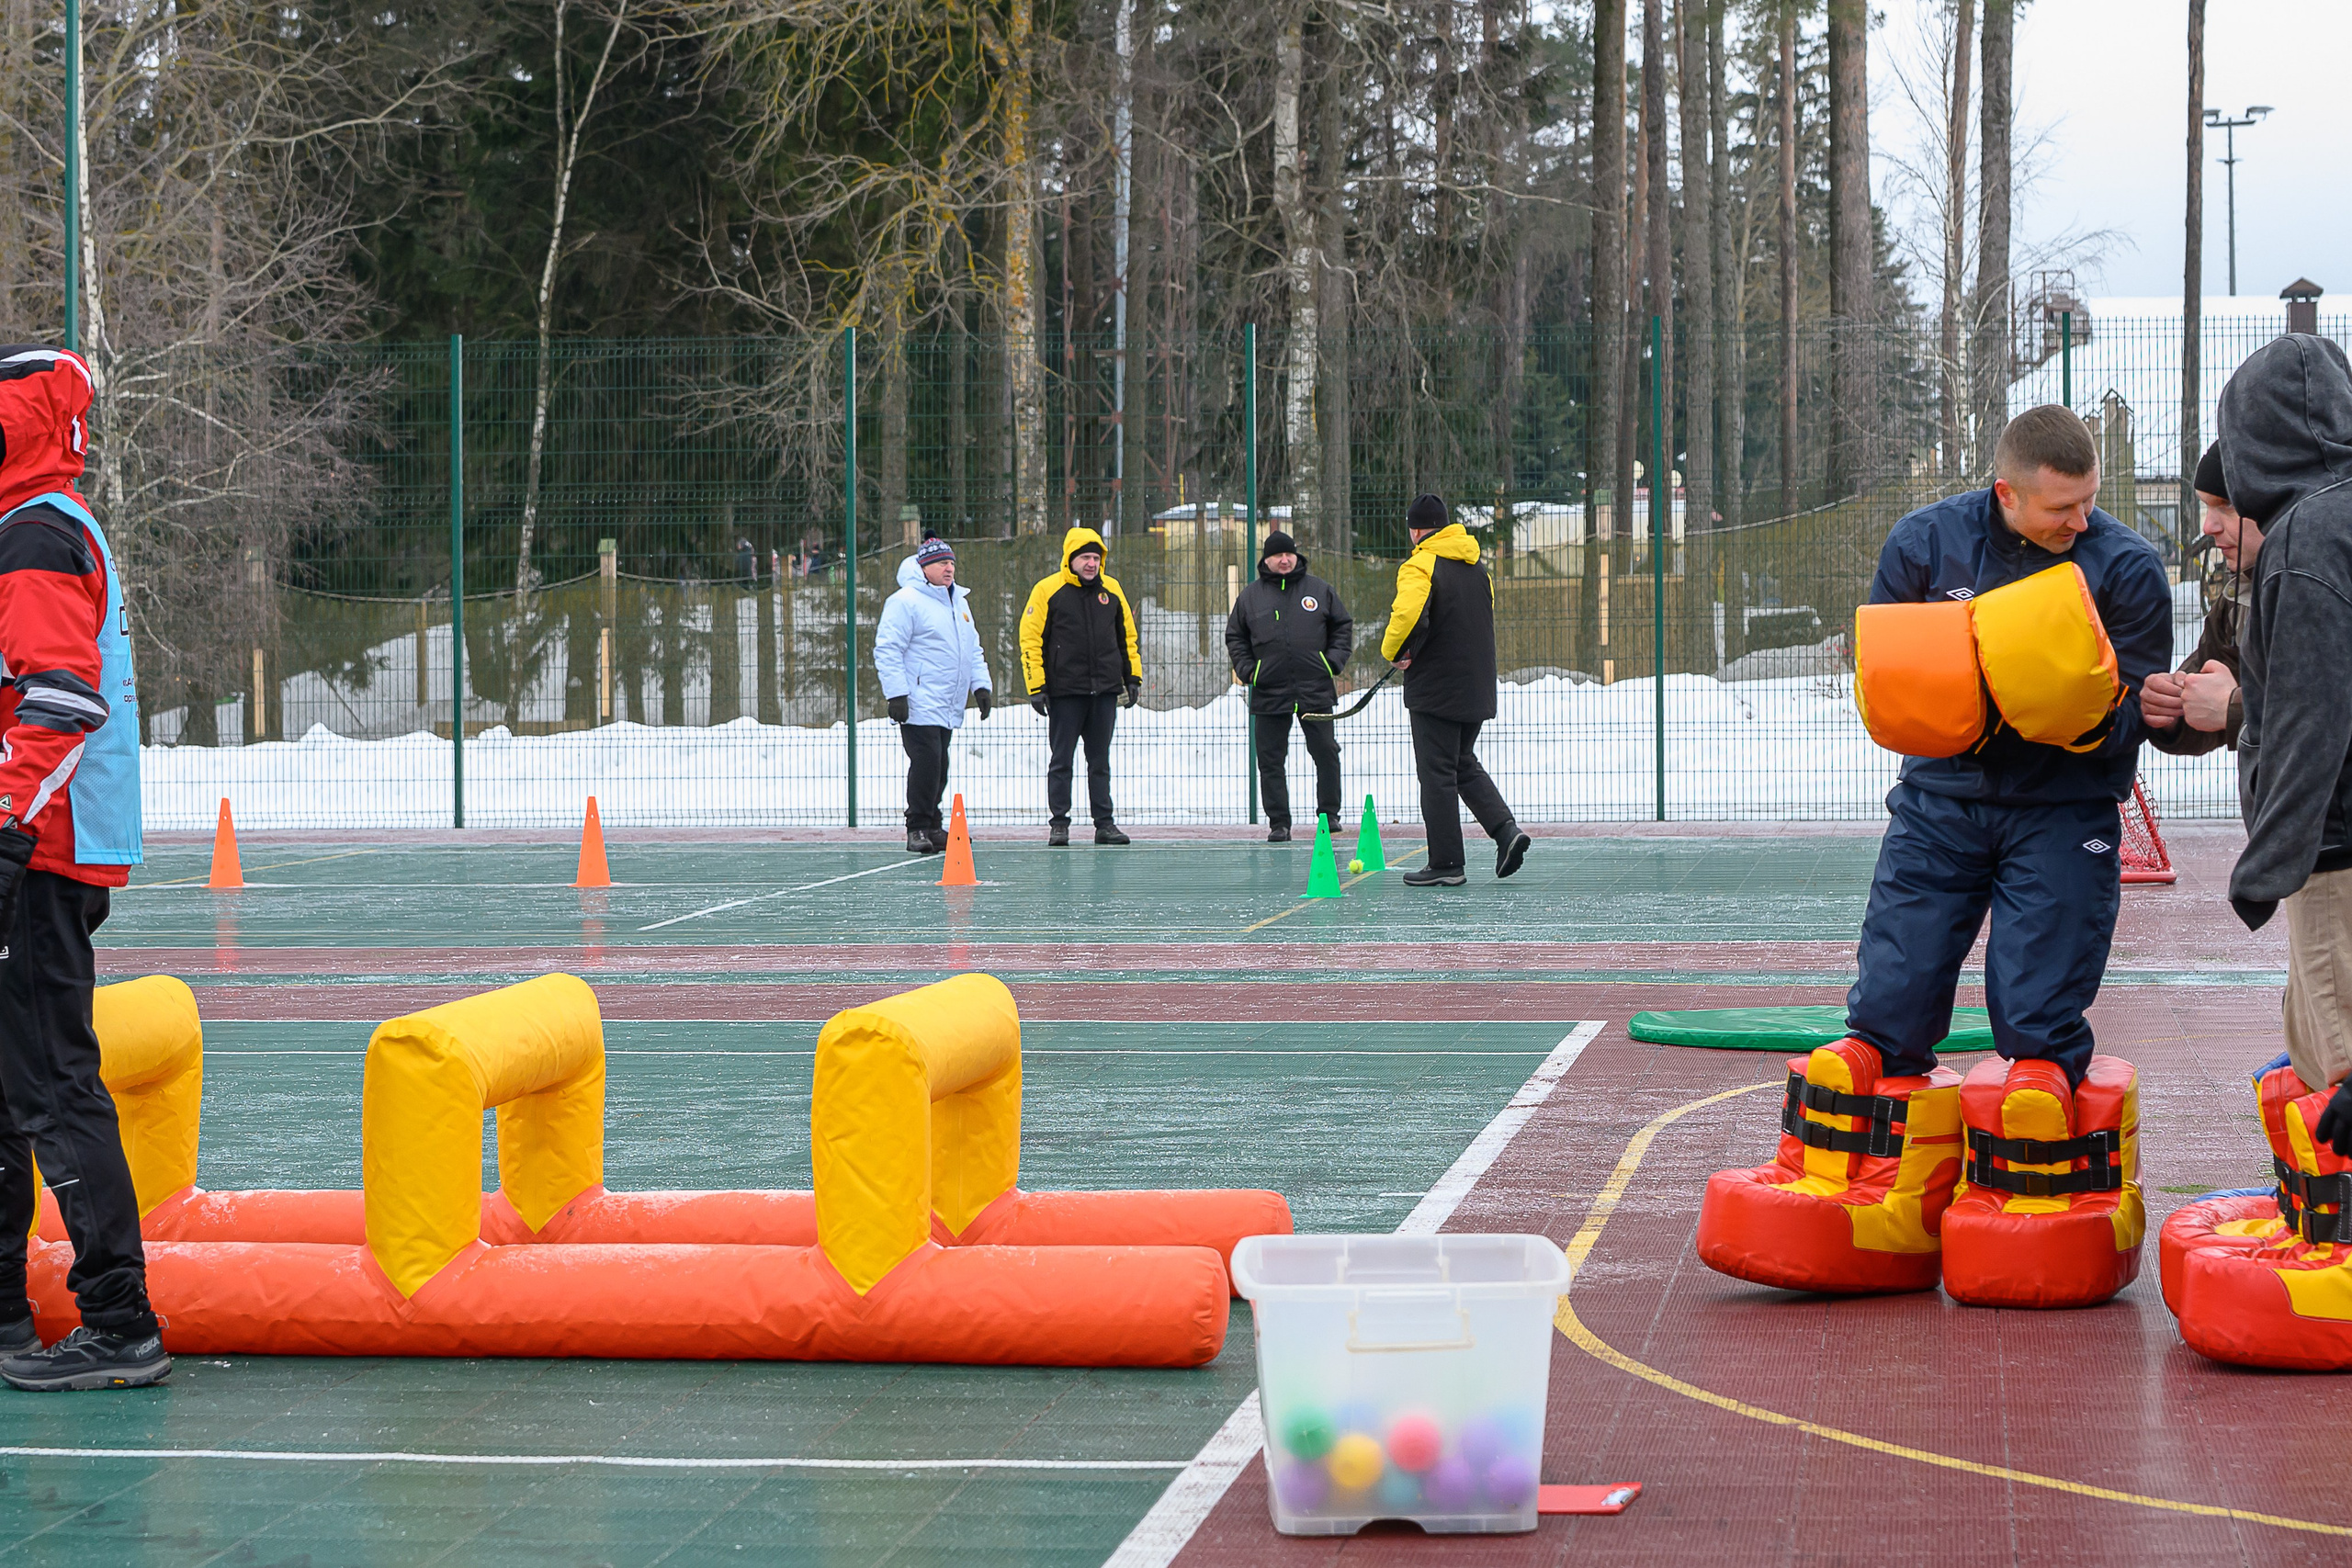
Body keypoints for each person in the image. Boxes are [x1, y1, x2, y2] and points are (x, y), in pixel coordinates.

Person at [1697, 403, 2173, 1302]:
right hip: (1940, 801)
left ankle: (2035, 1156)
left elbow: (2145, 707)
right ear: (2007, 492)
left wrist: (2098, 706)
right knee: (1891, 993)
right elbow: (1886, 668)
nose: (2078, 521)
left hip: (2062, 807)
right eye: (2057, 507)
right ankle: (1874, 1161)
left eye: (2087, 503)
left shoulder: (2125, 565)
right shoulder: (1925, 543)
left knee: (2035, 1014)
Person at [0, 347, 169, 1392]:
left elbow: (60, 698)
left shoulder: (33, 531)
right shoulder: (44, 519)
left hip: (38, 853)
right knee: (17, 1086)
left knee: (53, 1084)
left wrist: (7, 828)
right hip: (49, 842)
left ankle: (120, 1319)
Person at [2218, 335, 2352, 1146]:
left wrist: (2267, 864)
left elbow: (2313, 712)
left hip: (2333, 851)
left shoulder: (2306, 540)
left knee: (2333, 1068)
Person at [1379, 493, 1530, 886]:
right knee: (1461, 763)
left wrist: (1393, 652)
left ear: (1415, 529)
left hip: (1436, 689)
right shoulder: (1477, 568)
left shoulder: (1420, 564)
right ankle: (1506, 832)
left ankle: (1446, 864)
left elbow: (1409, 613)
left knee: (1436, 775)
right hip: (1476, 686)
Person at [1225, 529, 1352, 842]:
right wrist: (1249, 671)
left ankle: (1329, 815)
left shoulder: (1319, 590)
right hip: (1269, 691)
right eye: (1277, 555)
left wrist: (1331, 662)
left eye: (1289, 554)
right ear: (1266, 560)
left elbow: (1343, 626)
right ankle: (1279, 823)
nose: (1284, 560)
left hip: (1315, 689)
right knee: (1270, 759)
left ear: (1296, 556)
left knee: (1325, 752)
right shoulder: (1250, 597)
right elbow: (1235, 637)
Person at [1019, 527, 1140, 846]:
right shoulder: (1047, 590)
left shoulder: (1111, 590)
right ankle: (1059, 824)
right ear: (1070, 560)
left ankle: (1105, 824)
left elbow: (1126, 636)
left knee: (1099, 761)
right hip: (1065, 692)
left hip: (1104, 692)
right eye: (1085, 557)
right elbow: (1030, 639)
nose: (1091, 563)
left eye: (1096, 557)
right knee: (1061, 760)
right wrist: (1037, 685)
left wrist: (1133, 677)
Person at [874, 534, 992, 853]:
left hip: (947, 703)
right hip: (919, 702)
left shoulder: (959, 603)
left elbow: (973, 649)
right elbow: (888, 649)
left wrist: (981, 686)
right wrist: (897, 694)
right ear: (923, 567)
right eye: (941, 563)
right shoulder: (905, 601)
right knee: (926, 764)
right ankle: (917, 827)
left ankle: (933, 824)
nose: (949, 568)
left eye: (951, 562)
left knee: (940, 766)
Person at [2141, 442, 2258, 755]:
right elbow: (2207, 686)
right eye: (2207, 506)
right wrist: (2170, 708)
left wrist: (2233, 708)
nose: (2208, 526)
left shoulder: (2329, 581)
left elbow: (2327, 712)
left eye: (2227, 504)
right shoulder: (2240, 594)